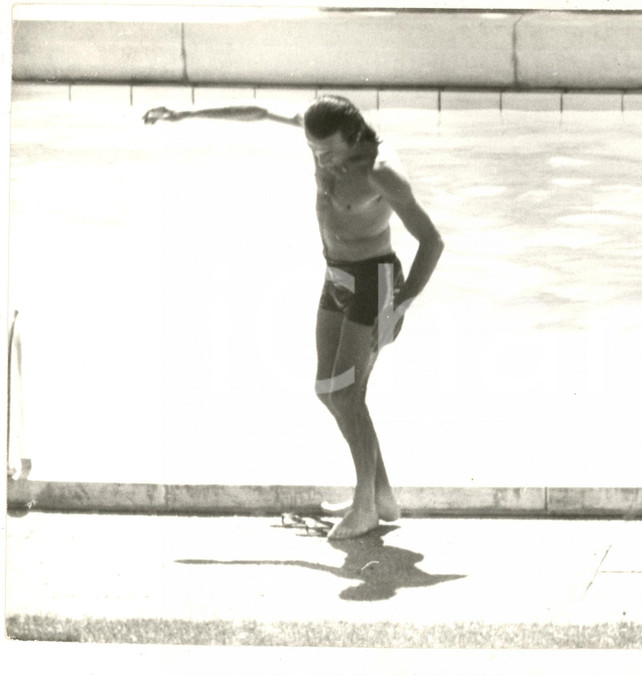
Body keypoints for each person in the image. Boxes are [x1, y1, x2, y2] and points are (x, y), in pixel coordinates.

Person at [143, 96, 444, 539]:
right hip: (337, 276)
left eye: (329, 153)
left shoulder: (381, 171)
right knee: (330, 389)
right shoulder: (324, 137)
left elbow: (432, 241)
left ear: (356, 136)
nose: (320, 160)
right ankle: (381, 495)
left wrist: (400, 303)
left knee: (346, 395)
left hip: (374, 282)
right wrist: (185, 113)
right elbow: (259, 112)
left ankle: (366, 506)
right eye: (314, 151)